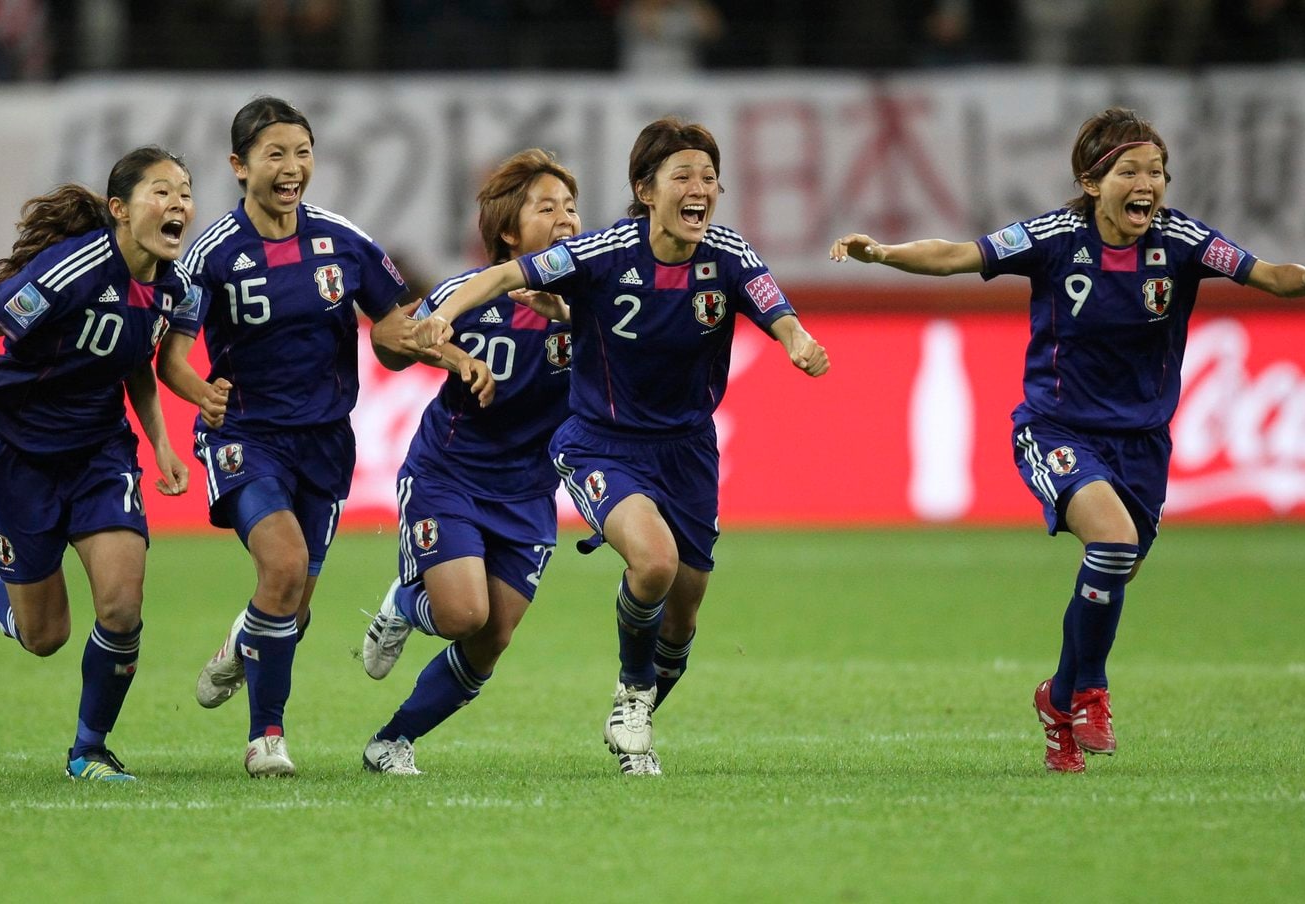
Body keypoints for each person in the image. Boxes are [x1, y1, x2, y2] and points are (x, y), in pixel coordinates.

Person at [829, 106, 1305, 773]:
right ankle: (1092, 692)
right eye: (1130, 170)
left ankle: (1060, 697)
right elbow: (960, 255)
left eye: (1157, 171)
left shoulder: (1183, 242)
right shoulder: (1052, 237)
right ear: (1093, 181)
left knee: (1114, 571)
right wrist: (884, 253)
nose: (1148, 183)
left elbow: (1271, 275)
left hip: (1144, 446)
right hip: (1056, 431)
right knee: (1113, 543)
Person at [414, 117, 830, 775]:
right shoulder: (604, 252)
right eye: (683, 176)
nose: (700, 189)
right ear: (645, 187)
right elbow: (502, 277)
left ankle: (636, 715)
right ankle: (632, 699)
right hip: (601, 444)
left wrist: (797, 341)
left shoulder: (727, 253)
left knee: (683, 615)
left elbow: (771, 303)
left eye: (709, 177)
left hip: (688, 449)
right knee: (654, 563)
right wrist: (443, 317)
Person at [157, 96, 415, 777]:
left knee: (291, 610)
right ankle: (266, 736)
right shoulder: (212, 253)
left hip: (325, 441)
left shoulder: (344, 241)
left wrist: (417, 341)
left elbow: (392, 324)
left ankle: (242, 640)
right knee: (282, 567)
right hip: (245, 435)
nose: (292, 167)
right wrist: (198, 390)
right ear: (240, 166)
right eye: (276, 154)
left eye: (302, 152)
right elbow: (173, 356)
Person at [0, 145, 196, 781]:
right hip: (17, 454)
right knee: (46, 636)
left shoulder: (174, 290)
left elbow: (133, 361)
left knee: (123, 607)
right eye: (160, 192)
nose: (177, 204)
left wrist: (159, 442)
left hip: (100, 454)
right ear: (119, 211)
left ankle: (89, 750)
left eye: (184, 192)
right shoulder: (70, 270)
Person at [358, 148, 578, 776]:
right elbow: (400, 340)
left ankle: (391, 742)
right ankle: (405, 603)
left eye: (571, 206)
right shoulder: (469, 293)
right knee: (462, 614)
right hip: (448, 475)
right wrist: (457, 358)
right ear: (510, 231)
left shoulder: (589, 307)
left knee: (491, 639)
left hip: (530, 491)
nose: (566, 218)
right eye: (547, 207)